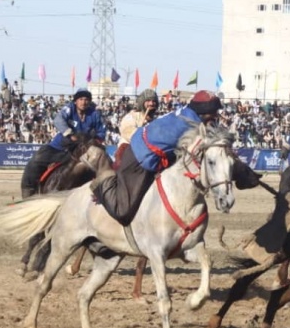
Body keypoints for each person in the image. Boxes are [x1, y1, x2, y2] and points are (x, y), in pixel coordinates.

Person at [90, 90, 223, 226]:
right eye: (214, 112)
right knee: (123, 211)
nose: (216, 115)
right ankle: (102, 183)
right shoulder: (192, 125)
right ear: (204, 111)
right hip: (139, 155)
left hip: (159, 156)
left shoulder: (188, 113)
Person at [20, 88, 107, 198]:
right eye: (81, 99)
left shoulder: (94, 114)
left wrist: (95, 141)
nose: (84, 102)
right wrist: (70, 134)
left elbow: (101, 131)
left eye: (86, 99)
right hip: (60, 147)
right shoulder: (69, 108)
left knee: (106, 165)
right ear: (76, 101)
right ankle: (28, 192)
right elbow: (58, 120)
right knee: (35, 161)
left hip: (84, 150)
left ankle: (106, 193)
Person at [115, 89, 159, 166]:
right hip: (129, 150)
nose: (151, 104)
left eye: (154, 101)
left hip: (149, 152)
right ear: (142, 102)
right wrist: (142, 133)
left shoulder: (157, 121)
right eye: (148, 101)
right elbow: (127, 132)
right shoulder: (132, 116)